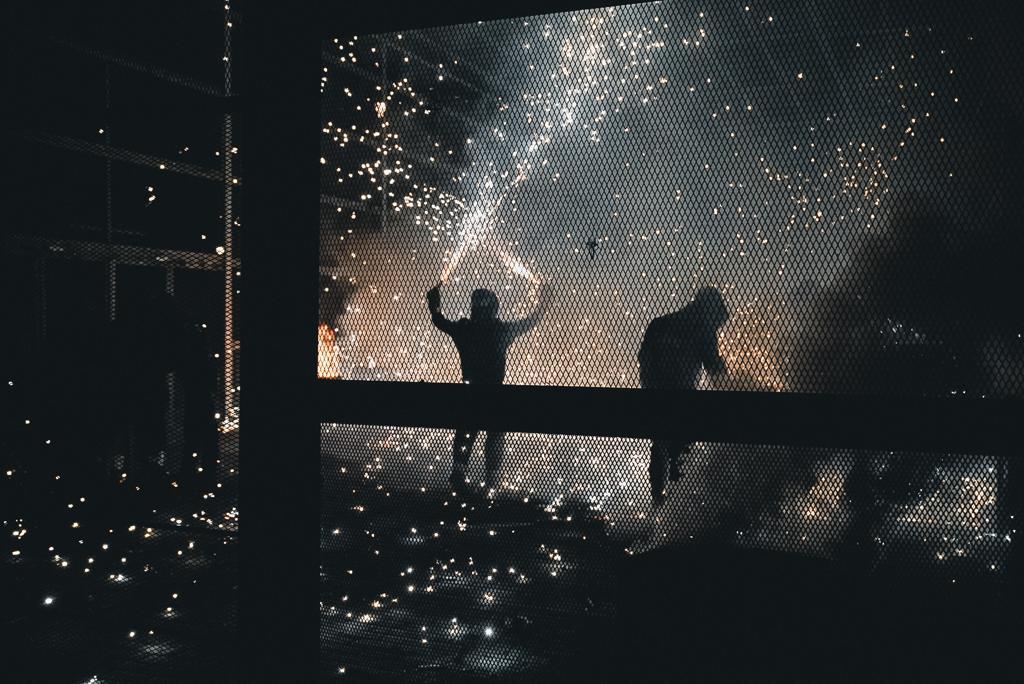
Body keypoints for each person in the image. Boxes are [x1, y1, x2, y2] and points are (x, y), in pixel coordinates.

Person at [427, 280, 551, 492]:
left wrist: (434, 302)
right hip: (495, 393)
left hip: (471, 390)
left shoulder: (465, 329)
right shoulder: (501, 330)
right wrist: (544, 299)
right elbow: (532, 320)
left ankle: (459, 469)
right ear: (495, 308)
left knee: (466, 427)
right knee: (495, 431)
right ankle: (491, 481)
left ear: (474, 308)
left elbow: (439, 321)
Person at [639, 287, 729, 505]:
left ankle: (658, 503)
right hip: (683, 400)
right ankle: (678, 508)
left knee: (660, 445)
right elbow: (715, 371)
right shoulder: (703, 330)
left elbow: (643, 358)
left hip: (654, 394)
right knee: (682, 451)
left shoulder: (660, 324)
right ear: (710, 312)